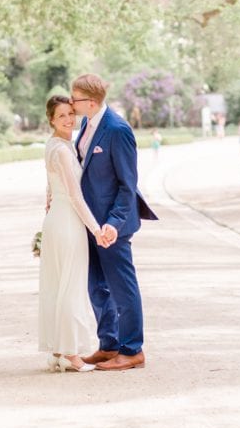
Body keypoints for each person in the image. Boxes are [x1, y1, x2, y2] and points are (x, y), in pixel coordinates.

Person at [71, 74, 159, 371]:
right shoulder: (86, 123)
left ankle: (133, 349)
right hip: (90, 222)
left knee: (123, 287)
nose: (71, 103)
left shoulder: (117, 129)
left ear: (91, 102)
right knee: (97, 286)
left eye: (75, 99)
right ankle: (108, 344)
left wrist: (113, 223)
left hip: (111, 226)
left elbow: (127, 184)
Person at [38, 96, 106, 373]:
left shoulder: (55, 146)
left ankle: (57, 350)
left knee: (58, 285)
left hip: (56, 220)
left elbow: (50, 190)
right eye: (61, 115)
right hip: (68, 222)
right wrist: (97, 230)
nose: (68, 119)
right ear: (51, 120)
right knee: (71, 288)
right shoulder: (64, 151)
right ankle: (72, 355)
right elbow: (76, 196)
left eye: (70, 113)